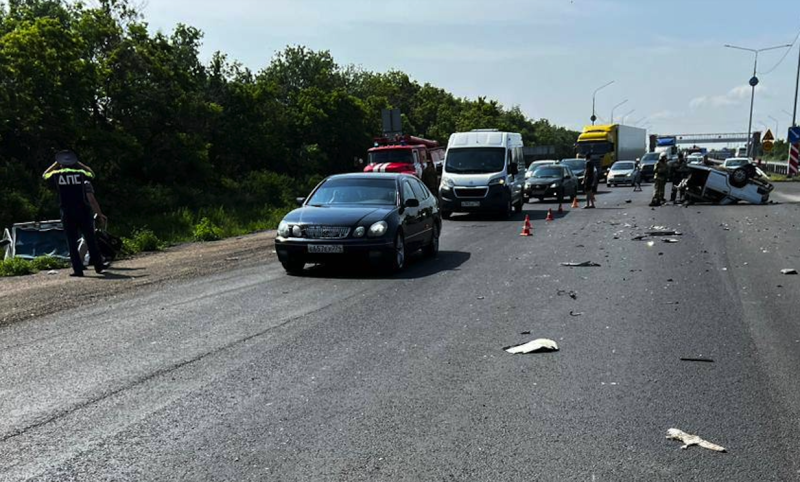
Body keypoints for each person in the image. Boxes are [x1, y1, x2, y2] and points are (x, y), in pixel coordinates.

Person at [43, 150, 109, 277]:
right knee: (90, 239)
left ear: (61, 164)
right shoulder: (80, 173)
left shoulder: (57, 174)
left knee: (71, 242)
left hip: (67, 210)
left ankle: (78, 270)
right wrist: (78, 162)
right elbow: (92, 173)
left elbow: (45, 175)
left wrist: (56, 164)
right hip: (83, 210)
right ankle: (99, 266)